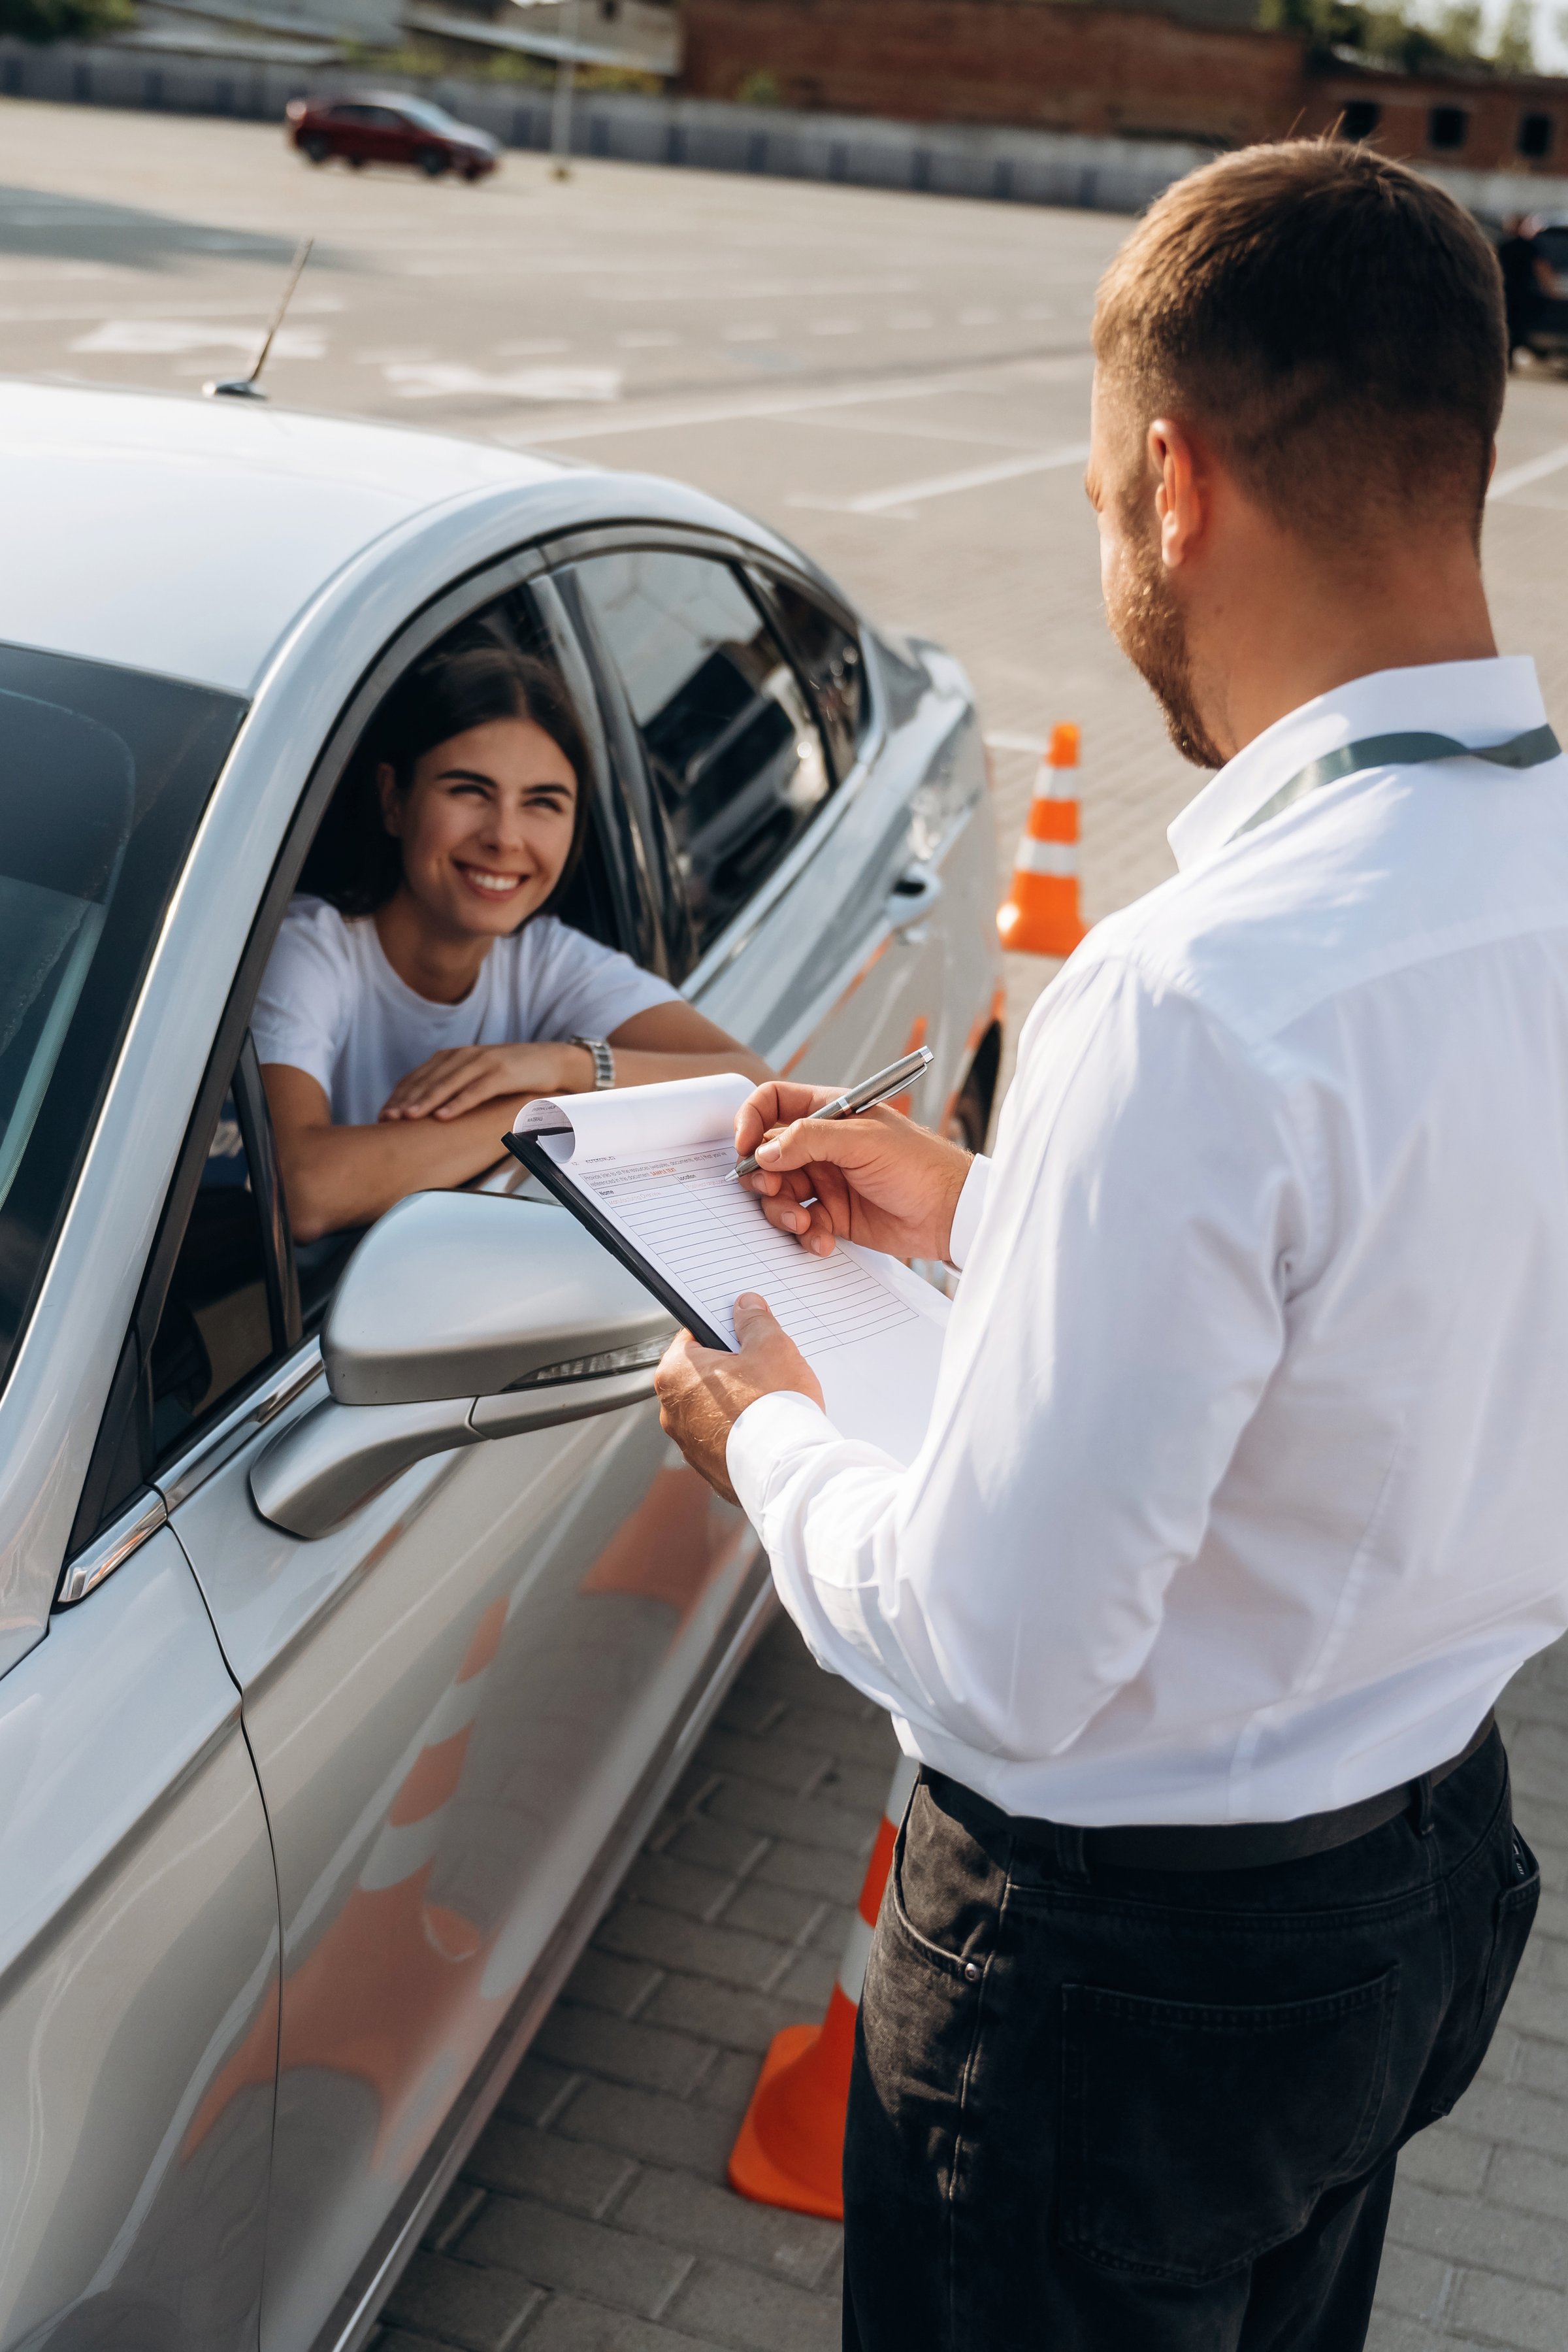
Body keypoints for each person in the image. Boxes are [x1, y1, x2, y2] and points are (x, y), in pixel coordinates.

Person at [654, 140, 1563, 2351]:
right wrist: (989, 1203)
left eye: (1088, 494)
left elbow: (1007, 1643)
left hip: (1123, 1983)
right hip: (1423, 1872)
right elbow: (1417, 1270)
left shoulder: (1194, 991)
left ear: (1173, 484)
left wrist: (768, 1438)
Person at [255, 643, 767, 1242]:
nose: (505, 836)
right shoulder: (311, 948)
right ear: (394, 799)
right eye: (469, 791)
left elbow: (752, 1085)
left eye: (543, 803)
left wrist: (563, 1065)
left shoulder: (548, 959)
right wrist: (539, 1110)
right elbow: (303, 1192)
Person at [1497, 212, 1539, 370]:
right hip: (1524, 291)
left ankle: (1507, 358)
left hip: (1506, 290)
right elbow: (1541, 268)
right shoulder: (1530, 247)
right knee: (1519, 326)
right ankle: (1511, 357)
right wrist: (1550, 289)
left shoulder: (1504, 245)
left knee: (1506, 324)